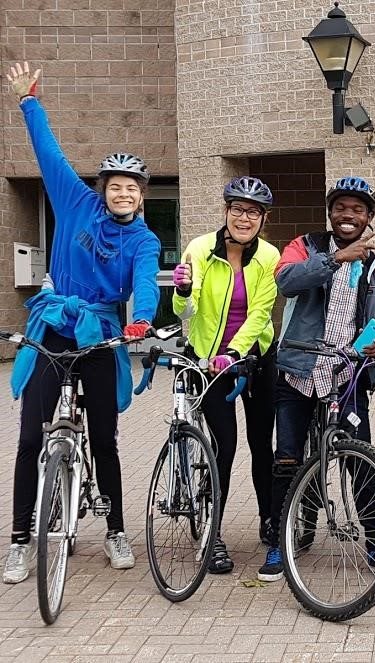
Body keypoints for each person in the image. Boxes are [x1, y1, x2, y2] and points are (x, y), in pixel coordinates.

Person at [4, 62, 160, 583]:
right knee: (30, 439)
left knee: (107, 438)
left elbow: (144, 283)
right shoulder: (75, 202)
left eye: (132, 188)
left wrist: (139, 322)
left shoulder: (143, 240)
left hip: (100, 335)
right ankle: (21, 541)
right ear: (104, 189)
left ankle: (115, 529)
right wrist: (29, 102)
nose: (123, 194)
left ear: (141, 195)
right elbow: (49, 153)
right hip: (53, 327)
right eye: (115, 186)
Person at [259, 176, 375, 582]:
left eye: (358, 210)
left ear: (369, 217)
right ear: (330, 212)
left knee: (361, 459)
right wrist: (337, 258)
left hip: (348, 373)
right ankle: (278, 542)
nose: (348, 215)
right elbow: (286, 282)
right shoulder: (304, 246)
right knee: (286, 459)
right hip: (299, 370)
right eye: (341, 207)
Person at [171, 176, 280, 573]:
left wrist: (236, 351)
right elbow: (184, 312)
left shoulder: (269, 256)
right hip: (208, 360)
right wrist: (182, 292)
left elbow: (261, 312)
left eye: (253, 212)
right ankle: (211, 531)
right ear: (226, 212)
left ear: (263, 218)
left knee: (262, 445)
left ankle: (270, 521)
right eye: (237, 209)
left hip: (256, 358)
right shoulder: (200, 248)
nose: (244, 217)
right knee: (223, 447)